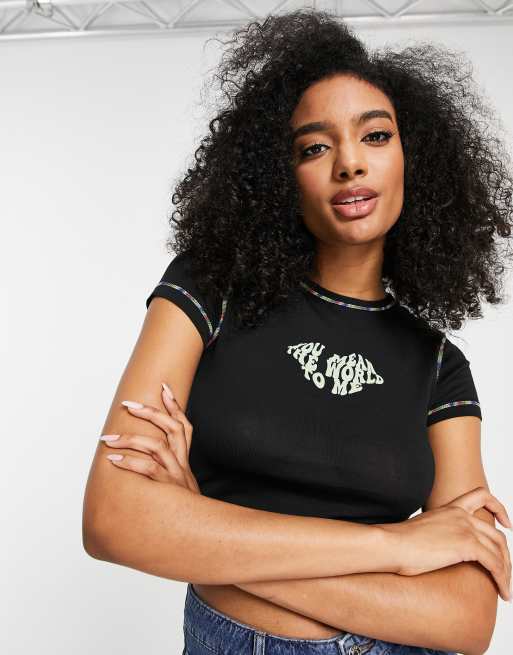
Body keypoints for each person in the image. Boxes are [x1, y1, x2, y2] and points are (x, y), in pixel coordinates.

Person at [82, 8, 513, 655]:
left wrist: (200, 528)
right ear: (277, 174)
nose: (349, 163)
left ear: (414, 158)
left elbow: (466, 619)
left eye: (375, 136)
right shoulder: (211, 291)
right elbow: (114, 519)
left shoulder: (437, 365)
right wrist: (394, 545)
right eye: (314, 146)